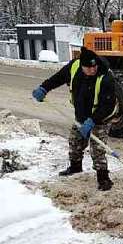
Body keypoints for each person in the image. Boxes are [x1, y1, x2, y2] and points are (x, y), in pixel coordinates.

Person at [31, 47, 118, 191]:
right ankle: (75, 167)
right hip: (81, 115)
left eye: (94, 66)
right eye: (88, 68)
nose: (92, 70)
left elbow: (108, 105)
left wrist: (92, 121)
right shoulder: (74, 66)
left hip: (100, 118)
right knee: (75, 142)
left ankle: (103, 178)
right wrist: (44, 88)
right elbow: (58, 78)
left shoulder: (106, 77)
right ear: (81, 65)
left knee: (97, 148)